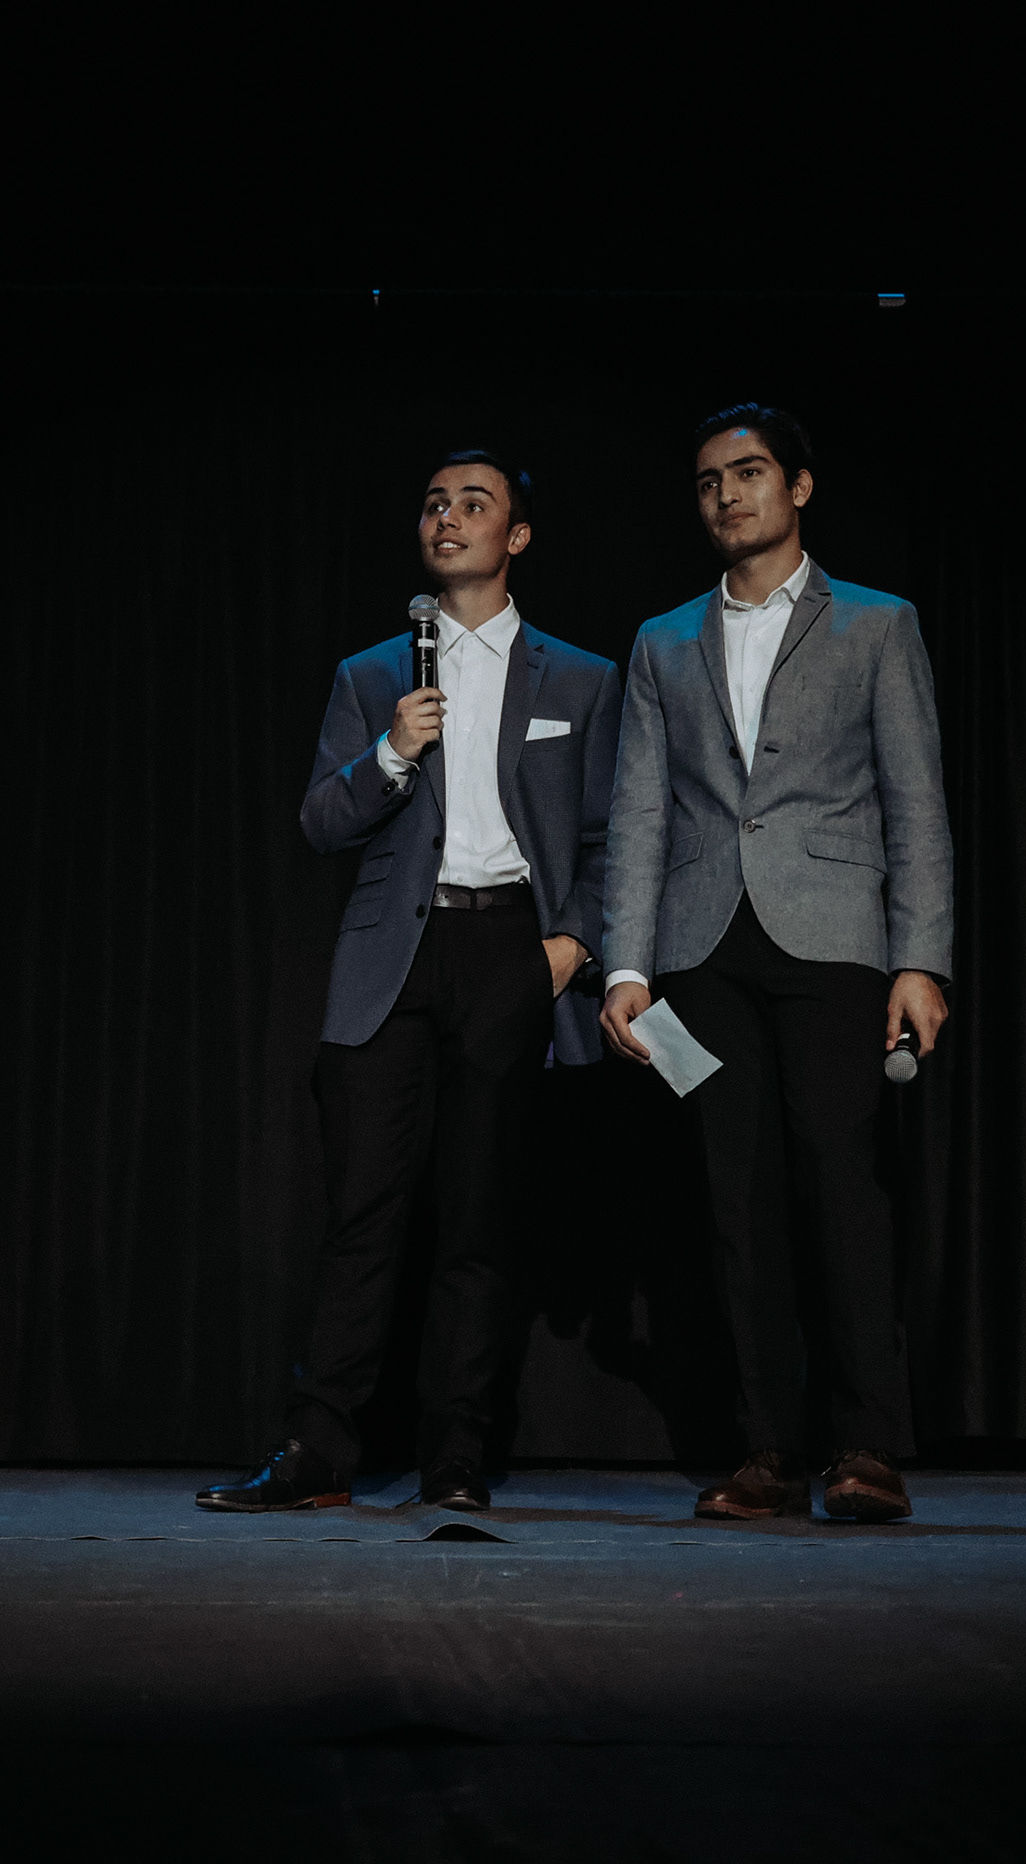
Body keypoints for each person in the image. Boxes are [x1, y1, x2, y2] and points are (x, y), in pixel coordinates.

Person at [198, 448, 622, 1515]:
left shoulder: (582, 678)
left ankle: (456, 1455)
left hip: (511, 947)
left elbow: (612, 835)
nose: (448, 517)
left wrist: (570, 946)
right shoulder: (373, 673)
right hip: (395, 952)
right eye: (435, 503)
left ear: (516, 536)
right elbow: (319, 820)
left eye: (474, 503)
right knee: (364, 1213)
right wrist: (390, 753)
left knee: (477, 1219)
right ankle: (317, 1449)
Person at [600, 404, 953, 1523]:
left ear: (798, 487)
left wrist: (921, 958)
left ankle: (867, 1446)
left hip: (835, 940)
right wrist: (625, 967)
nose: (727, 495)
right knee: (734, 1195)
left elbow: (916, 802)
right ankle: (767, 1450)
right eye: (709, 480)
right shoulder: (663, 640)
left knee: (840, 1182)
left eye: (748, 473)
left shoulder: (878, 623)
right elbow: (640, 812)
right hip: (701, 950)